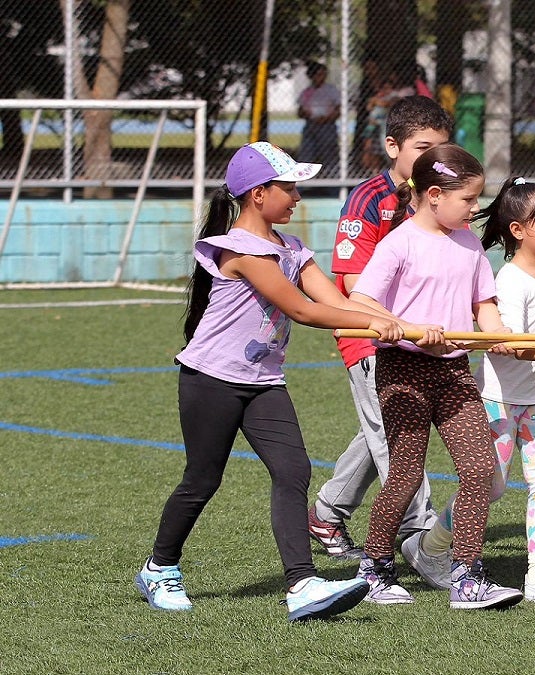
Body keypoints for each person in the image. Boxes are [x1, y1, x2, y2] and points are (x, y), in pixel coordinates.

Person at [135, 142, 405, 622]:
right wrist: (372, 325)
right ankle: (160, 567)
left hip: (263, 381)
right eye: (289, 187)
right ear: (259, 194)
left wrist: (401, 322)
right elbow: (303, 309)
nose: (297, 196)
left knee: (293, 469)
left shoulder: (293, 249)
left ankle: (301, 584)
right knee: (202, 480)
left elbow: (341, 297)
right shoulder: (241, 249)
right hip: (211, 380)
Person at [349, 144, 524, 610]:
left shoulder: (467, 242)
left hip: (454, 371)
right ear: (432, 195)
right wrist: (402, 327)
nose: (473, 209)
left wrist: (499, 335)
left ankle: (466, 575)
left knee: (481, 470)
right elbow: (359, 301)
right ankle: (375, 568)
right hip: (403, 370)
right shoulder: (399, 242)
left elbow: (483, 305)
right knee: (405, 476)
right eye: (467, 200)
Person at [424, 176, 535, 606]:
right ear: (519, 230)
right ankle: (430, 546)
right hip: (498, 401)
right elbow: (520, 348)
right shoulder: (508, 280)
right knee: (491, 485)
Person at [308, 96, 454, 566]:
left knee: (380, 433)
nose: (433, 159)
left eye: (441, 148)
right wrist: (393, 325)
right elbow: (352, 282)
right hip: (372, 337)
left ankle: (327, 513)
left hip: (424, 340)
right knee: (399, 438)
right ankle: (419, 536)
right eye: (422, 147)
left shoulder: (438, 198)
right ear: (392, 146)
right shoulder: (368, 200)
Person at [297, 62, 340, 172]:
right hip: (311, 125)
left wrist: (327, 118)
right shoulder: (307, 92)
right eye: (319, 74)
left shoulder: (331, 90)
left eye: (324, 74)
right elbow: (300, 111)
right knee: (307, 153)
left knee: (329, 154)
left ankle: (331, 179)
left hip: (327, 126)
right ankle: (306, 183)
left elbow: (338, 109)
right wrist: (307, 115)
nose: (322, 77)